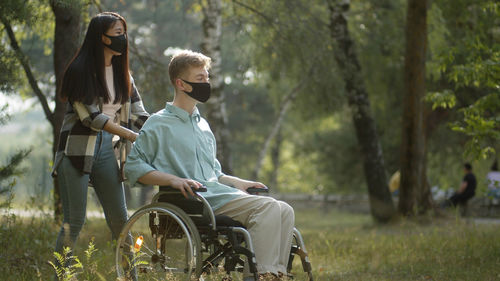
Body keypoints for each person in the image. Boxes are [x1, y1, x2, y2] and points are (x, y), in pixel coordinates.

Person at [125, 50, 294, 280]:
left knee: (285, 209)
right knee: (269, 208)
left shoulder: (202, 124)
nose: (207, 83)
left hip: (218, 193)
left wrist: (241, 183)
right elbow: (134, 167)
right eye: (200, 78)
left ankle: (275, 274)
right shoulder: (158, 123)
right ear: (181, 84)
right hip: (193, 199)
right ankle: (260, 275)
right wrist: (173, 180)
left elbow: (214, 172)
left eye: (207, 77)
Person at [52, 12, 149, 258]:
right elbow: (92, 118)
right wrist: (130, 135)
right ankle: (60, 275)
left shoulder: (123, 74)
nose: (123, 38)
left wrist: (164, 128)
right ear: (101, 37)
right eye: (118, 33)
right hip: (76, 148)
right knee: (74, 222)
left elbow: (139, 115)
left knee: (120, 221)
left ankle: (129, 276)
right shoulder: (80, 71)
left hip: (106, 149)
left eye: (124, 33)